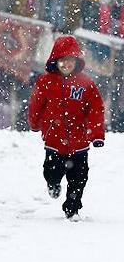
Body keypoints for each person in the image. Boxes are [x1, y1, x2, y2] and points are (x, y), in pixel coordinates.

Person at [28, 35, 105, 221]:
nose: (66, 64)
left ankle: (72, 209)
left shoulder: (86, 84)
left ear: (76, 61)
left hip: (79, 143)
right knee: (51, 171)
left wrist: (96, 134)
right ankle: (53, 184)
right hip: (54, 140)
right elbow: (36, 104)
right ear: (55, 62)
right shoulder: (45, 82)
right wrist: (34, 122)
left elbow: (95, 109)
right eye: (62, 60)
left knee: (79, 178)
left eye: (69, 60)